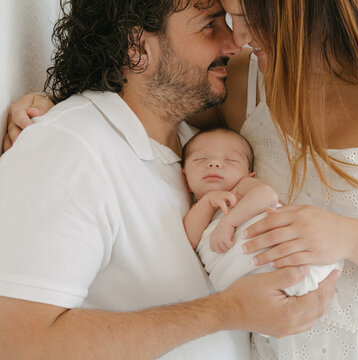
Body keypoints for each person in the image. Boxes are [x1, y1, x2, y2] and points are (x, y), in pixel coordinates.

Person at [5, 0, 358, 358]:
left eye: (240, 17)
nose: (235, 40)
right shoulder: (246, 84)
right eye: (219, 20)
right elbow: (135, 111)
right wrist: (48, 119)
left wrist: (346, 235)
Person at [0, 0, 339, 359]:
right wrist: (227, 311)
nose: (234, 45)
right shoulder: (69, 149)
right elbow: (14, 340)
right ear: (138, 46)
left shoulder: (199, 148)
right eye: (210, 26)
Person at [182, 127, 343, 296]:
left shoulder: (241, 189)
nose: (214, 163)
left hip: (287, 256)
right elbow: (190, 240)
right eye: (200, 159)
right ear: (185, 177)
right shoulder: (197, 209)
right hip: (244, 280)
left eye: (231, 160)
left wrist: (228, 222)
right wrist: (207, 202)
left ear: (249, 175)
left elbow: (268, 195)